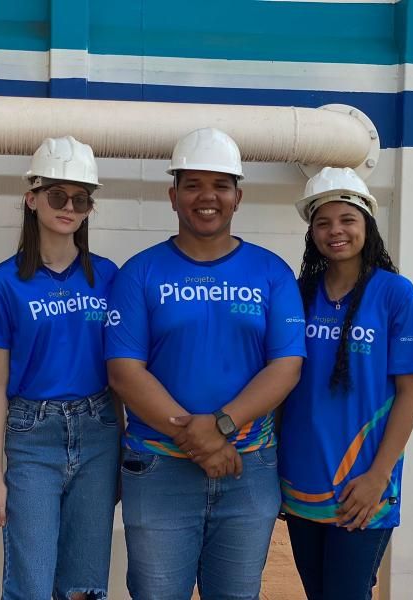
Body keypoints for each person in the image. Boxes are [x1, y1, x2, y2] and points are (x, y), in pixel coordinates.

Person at [105, 127, 306, 600]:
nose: (206, 196)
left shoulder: (271, 272)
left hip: (249, 469)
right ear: (173, 196)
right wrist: (201, 442)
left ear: (238, 196)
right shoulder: (141, 272)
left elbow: (287, 366)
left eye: (220, 185)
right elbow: (124, 371)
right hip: (158, 469)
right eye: (193, 185)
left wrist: (220, 426)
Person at [0, 136, 120, 600]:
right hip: (31, 433)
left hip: (98, 431)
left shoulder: (108, 275)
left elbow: (120, 372)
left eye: (81, 199)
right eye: (57, 195)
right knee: (31, 584)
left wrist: (120, 448)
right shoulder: (3, 282)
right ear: (31, 198)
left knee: (83, 585)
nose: (69, 207)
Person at [278, 167, 413, 600]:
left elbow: (409, 392)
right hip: (301, 480)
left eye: (347, 219)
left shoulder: (396, 295)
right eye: (322, 222)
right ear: (311, 232)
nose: (335, 231)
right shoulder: (300, 294)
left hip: (362, 486)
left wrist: (379, 476)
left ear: (367, 226)